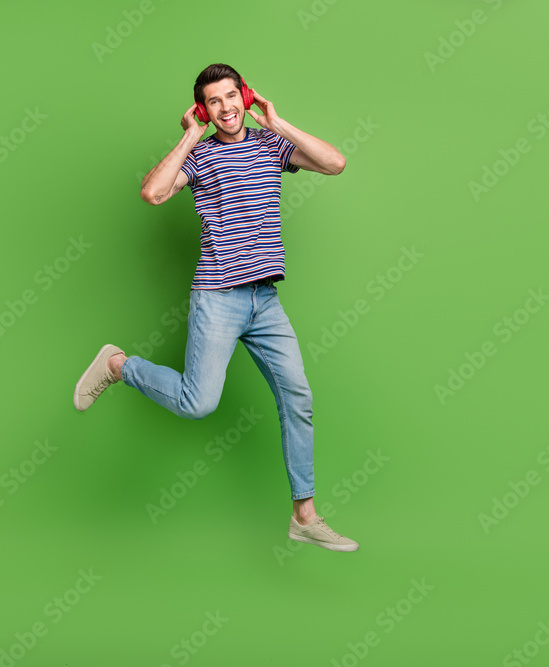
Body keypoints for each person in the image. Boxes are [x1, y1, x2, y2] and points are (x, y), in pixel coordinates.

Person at [74, 63, 358, 552]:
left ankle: (304, 517)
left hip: (265, 300)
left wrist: (277, 122)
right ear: (203, 109)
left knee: (298, 399)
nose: (225, 108)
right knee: (198, 403)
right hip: (219, 297)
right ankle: (119, 365)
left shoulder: (271, 145)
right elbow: (153, 193)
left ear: (245, 97)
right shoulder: (201, 156)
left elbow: (335, 163)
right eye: (214, 102)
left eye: (232, 96)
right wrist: (190, 136)